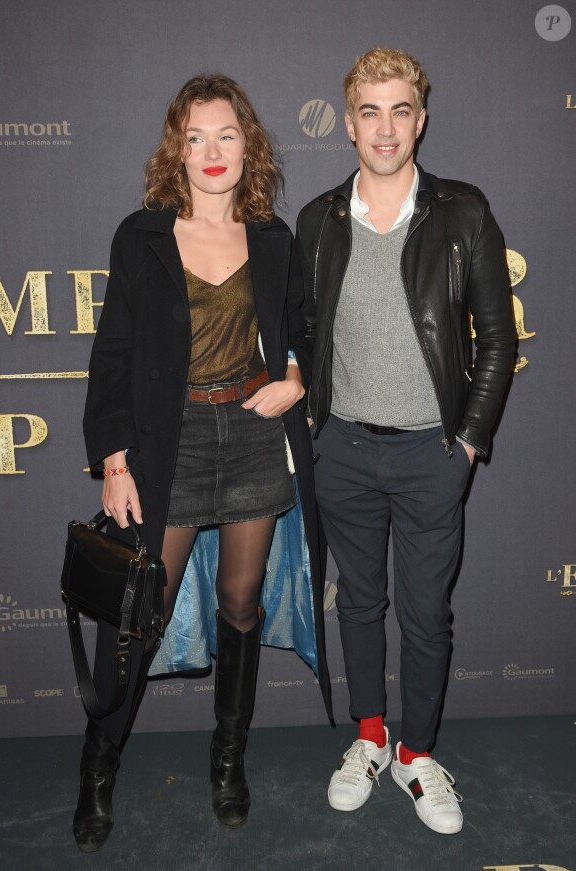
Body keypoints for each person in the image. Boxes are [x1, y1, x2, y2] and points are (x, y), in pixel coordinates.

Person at [74, 73, 331, 853]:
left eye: (227, 134)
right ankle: (97, 766)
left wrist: (294, 380)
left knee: (242, 601)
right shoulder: (142, 235)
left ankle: (228, 757)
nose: (212, 151)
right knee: (138, 615)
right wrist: (113, 457)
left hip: (253, 432)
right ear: (176, 149)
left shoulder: (274, 238)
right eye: (196, 137)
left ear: (247, 144)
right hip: (170, 440)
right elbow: (112, 351)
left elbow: (305, 334)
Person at [296, 47, 516, 835]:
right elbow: (305, 332)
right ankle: (369, 737)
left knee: (425, 614)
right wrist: (316, 423)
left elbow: (496, 338)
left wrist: (467, 443)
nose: (384, 129)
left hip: (431, 452)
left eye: (400, 111)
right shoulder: (318, 219)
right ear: (348, 121)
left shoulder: (463, 212)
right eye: (369, 111)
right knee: (359, 602)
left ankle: (418, 754)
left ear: (420, 120)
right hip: (344, 451)